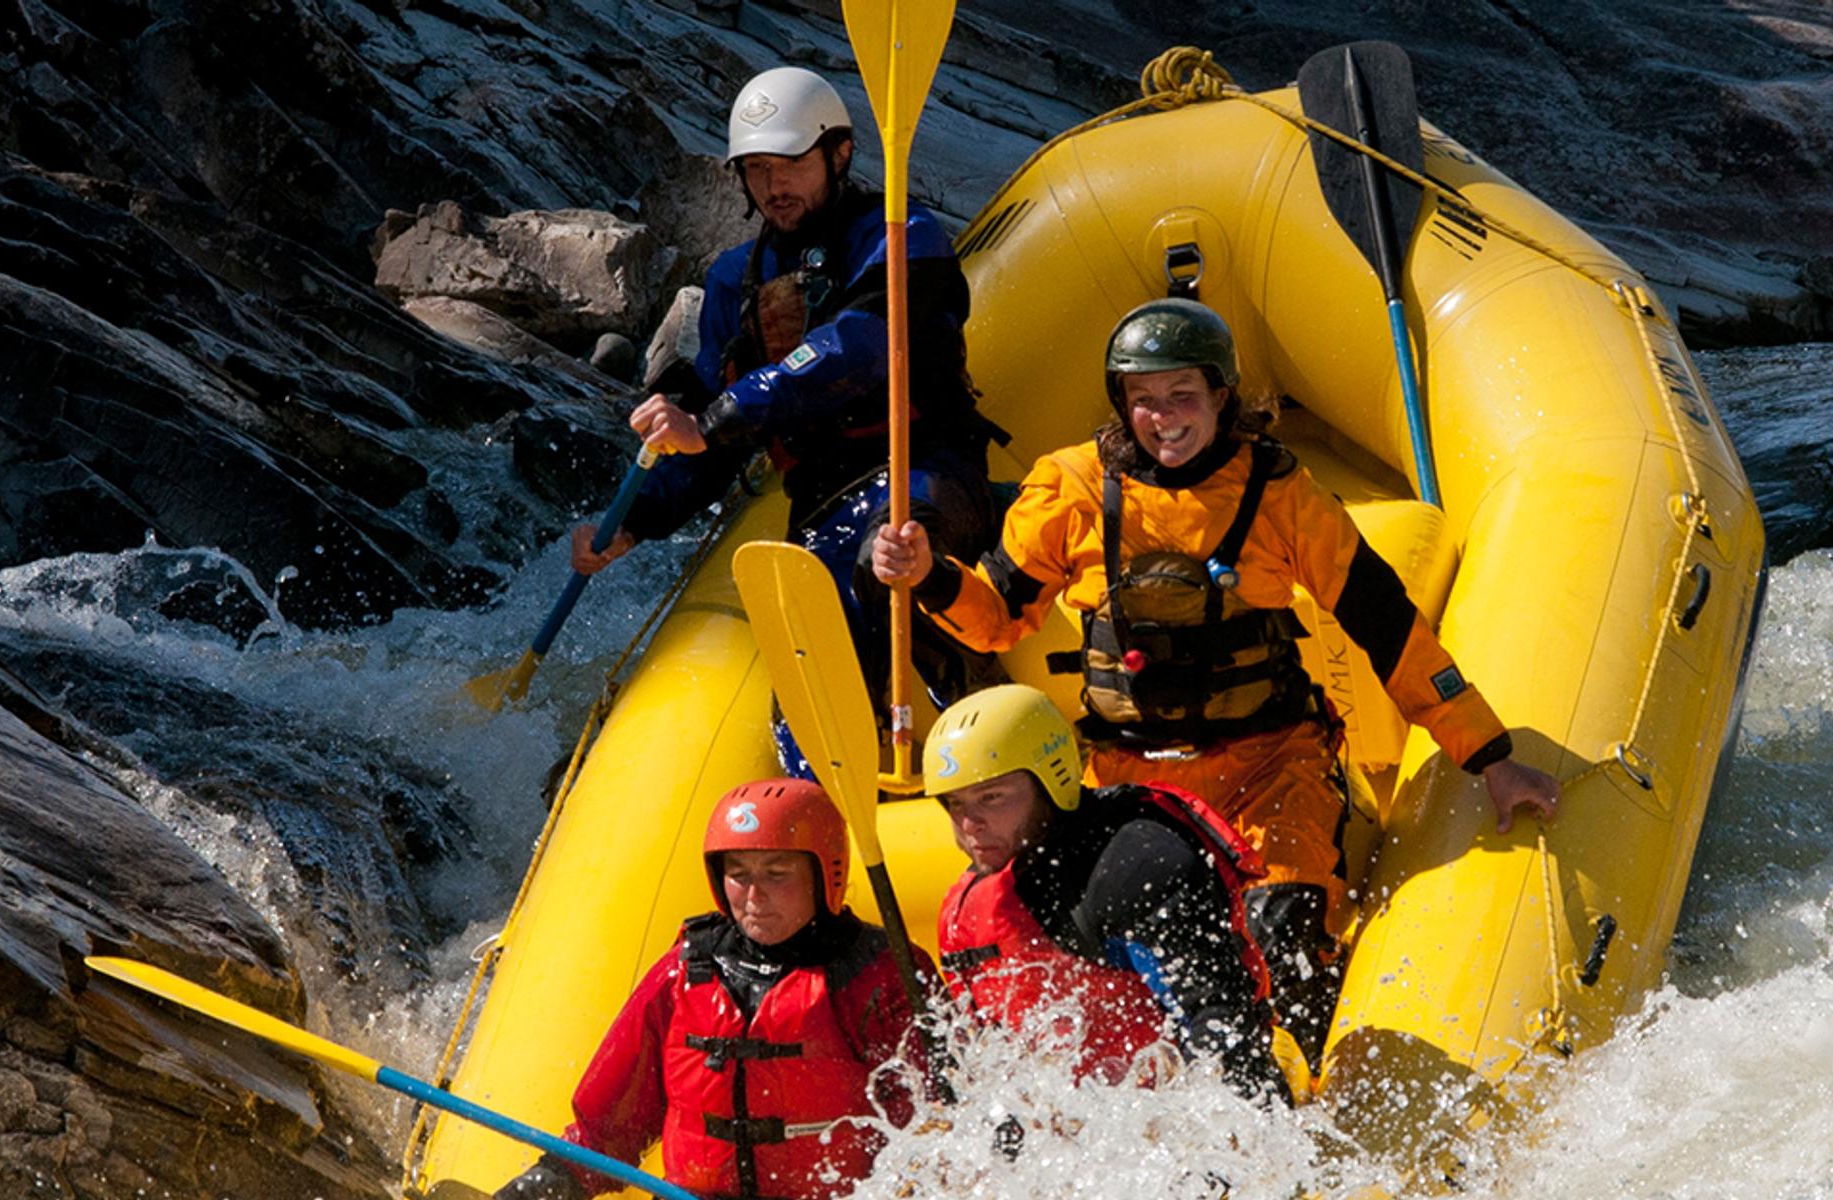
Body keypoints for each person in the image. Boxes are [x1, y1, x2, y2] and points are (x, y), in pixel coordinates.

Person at [864, 297, 1563, 1063]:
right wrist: (930, 578)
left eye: (1182, 397)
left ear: (1222, 397)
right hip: (1130, 784)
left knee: (1281, 932)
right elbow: (997, 617)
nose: (1163, 418)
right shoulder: (1069, 490)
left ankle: (1308, 1083)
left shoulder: (1283, 495)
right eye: (1143, 400)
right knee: (1135, 948)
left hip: (1269, 769)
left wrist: (1489, 757)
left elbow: (1388, 627)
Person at [570, 65, 997, 714]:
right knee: (806, 646)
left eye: (791, 163)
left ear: (839, 153)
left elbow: (859, 346)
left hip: (924, 469)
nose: (774, 185)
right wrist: (634, 521)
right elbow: (712, 431)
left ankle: (985, 725)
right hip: (820, 498)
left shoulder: (901, 235)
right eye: (757, 168)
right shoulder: (734, 279)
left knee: (880, 570)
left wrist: (713, 418)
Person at [445, 778, 927, 1200]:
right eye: (738, 875)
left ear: (825, 873)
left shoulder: (878, 976)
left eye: (777, 873)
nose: (753, 895)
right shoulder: (685, 973)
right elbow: (605, 1132)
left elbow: (931, 1131)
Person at [918, 686, 1286, 1107]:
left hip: (1178, 1112)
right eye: (955, 804)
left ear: (1051, 777)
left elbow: (1218, 1027)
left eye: (992, 797)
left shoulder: (1136, 864)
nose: (970, 823)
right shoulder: (975, 901)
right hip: (1087, 1125)